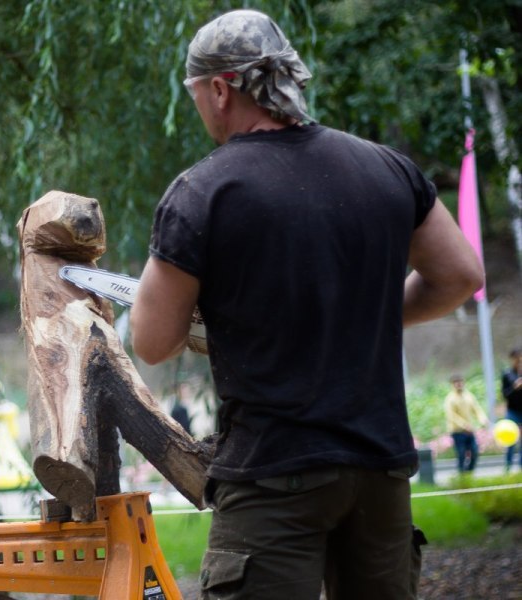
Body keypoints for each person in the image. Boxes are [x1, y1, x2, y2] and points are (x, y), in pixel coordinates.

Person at [129, 9, 484, 600]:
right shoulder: (387, 168)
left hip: (273, 476)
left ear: (220, 89)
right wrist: (358, 310)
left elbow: (152, 340)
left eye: (194, 93)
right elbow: (459, 276)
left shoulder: (203, 192)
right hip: (380, 470)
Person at [443, 375, 488, 473]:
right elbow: (452, 416)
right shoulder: (450, 399)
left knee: (475, 451)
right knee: (461, 454)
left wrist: (483, 419)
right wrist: (464, 425)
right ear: (452, 384)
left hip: (470, 431)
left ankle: (469, 472)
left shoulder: (469, 396)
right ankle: (461, 474)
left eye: (460, 382)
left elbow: (477, 409)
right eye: (456, 382)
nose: (459, 384)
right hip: (457, 431)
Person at [501, 347, 522, 471]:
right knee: (511, 439)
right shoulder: (507, 375)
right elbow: (505, 395)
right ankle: (508, 467)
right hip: (512, 411)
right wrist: (515, 387)